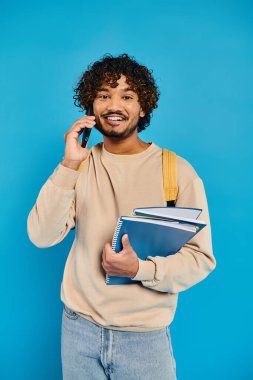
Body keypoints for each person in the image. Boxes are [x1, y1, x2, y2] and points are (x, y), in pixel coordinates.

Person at [27, 53, 216, 380]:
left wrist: (140, 269)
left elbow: (200, 259)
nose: (114, 105)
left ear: (143, 108)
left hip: (144, 337)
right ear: (91, 106)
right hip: (78, 329)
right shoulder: (80, 165)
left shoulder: (178, 172)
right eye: (104, 95)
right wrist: (68, 165)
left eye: (127, 96)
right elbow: (42, 236)